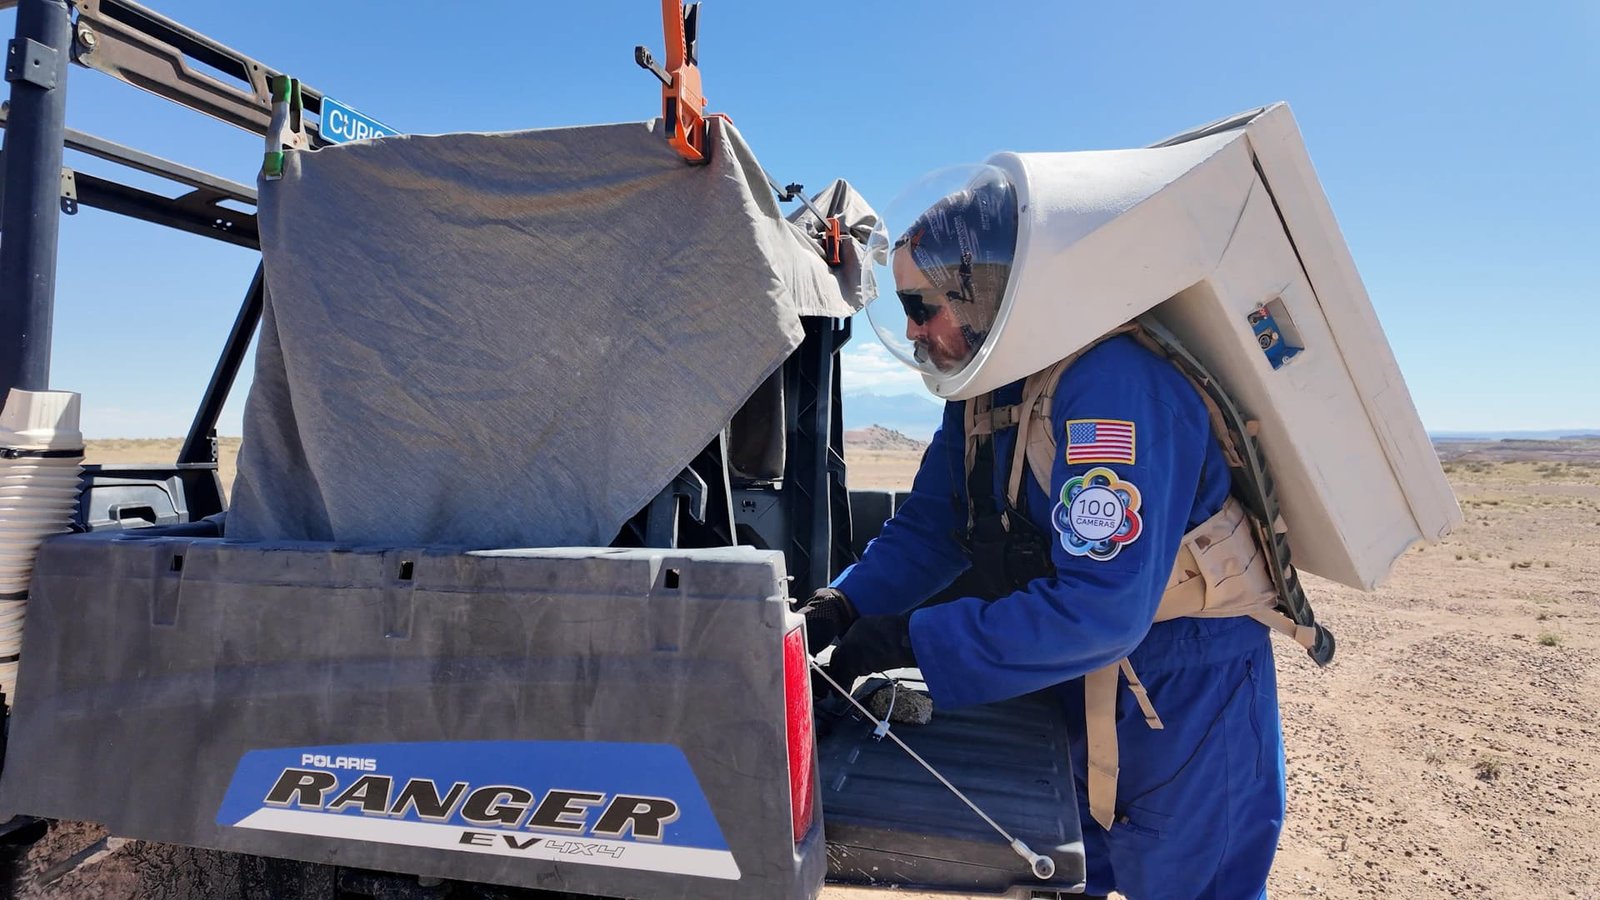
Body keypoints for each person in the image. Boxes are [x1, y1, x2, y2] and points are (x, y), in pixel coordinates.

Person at [798, 178, 1287, 899]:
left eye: (921, 307)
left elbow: (1102, 610)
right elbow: (932, 528)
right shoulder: (984, 395)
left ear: (985, 292)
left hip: (1182, 685)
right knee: (1066, 873)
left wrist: (911, 639)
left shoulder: (1114, 388)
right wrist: (843, 604)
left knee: (1188, 879)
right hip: (1065, 668)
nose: (913, 331)